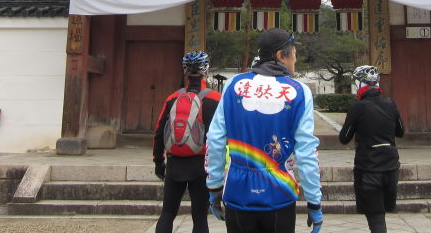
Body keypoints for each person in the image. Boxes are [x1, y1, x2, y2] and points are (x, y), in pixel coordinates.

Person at [205, 27, 323, 233]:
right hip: (279, 195)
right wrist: (314, 201)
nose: (295, 59)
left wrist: (214, 187)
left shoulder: (234, 85)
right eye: (294, 53)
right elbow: (306, 152)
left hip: (237, 193)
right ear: (280, 56)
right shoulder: (299, 91)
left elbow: (215, 140)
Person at [153, 51, 221, 233]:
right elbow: (222, 135)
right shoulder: (216, 100)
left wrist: (158, 161)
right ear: (206, 70)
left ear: (185, 71)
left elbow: (160, 130)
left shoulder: (173, 98)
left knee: (167, 213)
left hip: (175, 163)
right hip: (201, 165)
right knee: (199, 218)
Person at [338, 65, 404, 233]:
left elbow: (344, 138)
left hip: (368, 167)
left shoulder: (358, 107)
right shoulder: (390, 103)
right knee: (381, 213)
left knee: (375, 216)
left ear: (360, 84)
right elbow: (401, 131)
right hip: (391, 166)